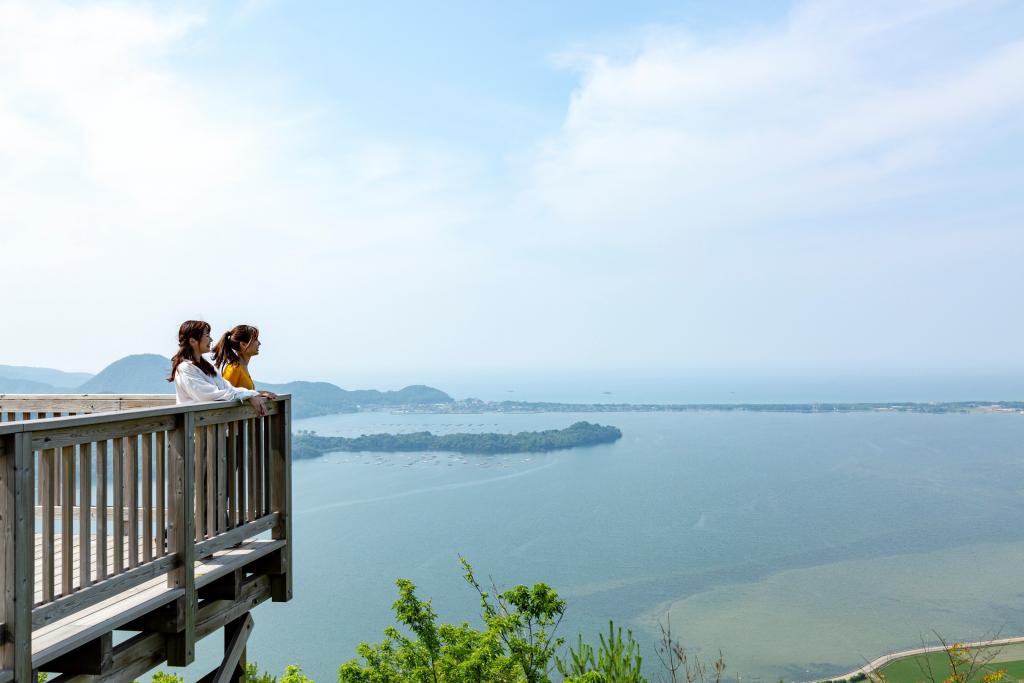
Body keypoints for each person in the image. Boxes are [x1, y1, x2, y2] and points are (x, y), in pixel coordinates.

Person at [168, 320, 267, 416]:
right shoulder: (185, 368)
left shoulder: (207, 366)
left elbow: (228, 388)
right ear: (192, 341)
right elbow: (208, 395)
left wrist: (252, 394)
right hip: (194, 428)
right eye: (207, 336)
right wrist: (248, 395)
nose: (211, 340)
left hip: (210, 426)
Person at [213, 324, 277, 399]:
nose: (259, 343)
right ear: (243, 344)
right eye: (255, 340)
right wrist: (257, 393)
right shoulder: (234, 368)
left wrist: (256, 393)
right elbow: (225, 393)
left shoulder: (241, 367)